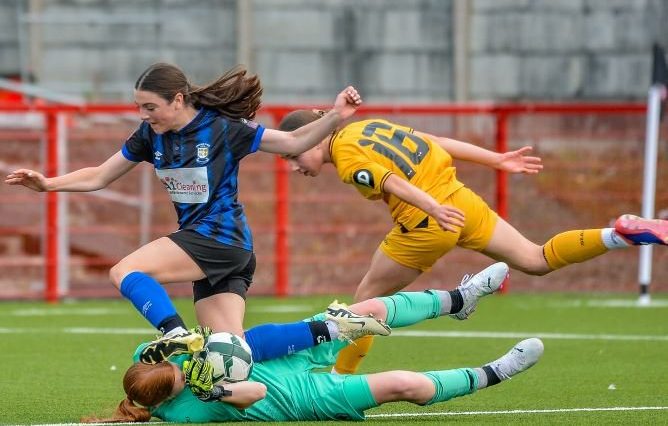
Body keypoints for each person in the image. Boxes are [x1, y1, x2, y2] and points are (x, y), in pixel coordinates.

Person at [4, 63, 362, 364]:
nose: (143, 116)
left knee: (124, 270)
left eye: (149, 107)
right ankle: (334, 327)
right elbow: (99, 175)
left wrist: (336, 116)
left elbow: (294, 142)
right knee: (231, 348)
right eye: (139, 108)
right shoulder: (150, 135)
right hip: (223, 247)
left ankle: (175, 334)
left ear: (177, 100)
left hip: (219, 237)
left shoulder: (222, 128)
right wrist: (48, 184)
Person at [277, 110, 668, 374]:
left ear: (311, 138)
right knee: (535, 258)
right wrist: (496, 160)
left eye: (293, 156)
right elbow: (437, 141)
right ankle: (617, 234)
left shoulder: (346, 156)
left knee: (365, 301)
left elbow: (391, 182)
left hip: (430, 219)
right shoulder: (370, 126)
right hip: (460, 200)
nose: (294, 167)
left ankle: (338, 381)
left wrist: (433, 209)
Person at [84, 262, 542, 423]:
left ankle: (461, 298)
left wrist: (173, 332)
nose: (186, 366)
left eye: (182, 365)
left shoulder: (153, 358)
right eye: (183, 377)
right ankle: (494, 373)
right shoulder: (185, 413)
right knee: (406, 385)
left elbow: (139, 280)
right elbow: (257, 392)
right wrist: (214, 387)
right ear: (172, 393)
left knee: (372, 313)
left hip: (286, 349)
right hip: (299, 399)